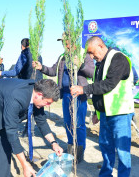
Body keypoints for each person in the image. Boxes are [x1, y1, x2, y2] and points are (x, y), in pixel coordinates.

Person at [70, 36, 134, 177]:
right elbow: (100, 91)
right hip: (106, 114)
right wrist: (98, 113)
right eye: (89, 54)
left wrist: (83, 89)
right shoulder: (100, 64)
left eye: (91, 52)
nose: (91, 57)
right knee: (106, 148)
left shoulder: (119, 59)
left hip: (120, 113)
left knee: (122, 151)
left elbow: (108, 85)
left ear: (100, 45)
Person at [33, 34, 94, 163]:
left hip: (79, 95)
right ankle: (71, 149)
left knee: (78, 124)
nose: (65, 45)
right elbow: (53, 71)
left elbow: (91, 72)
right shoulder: (62, 57)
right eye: (63, 43)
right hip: (66, 94)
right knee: (68, 123)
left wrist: (81, 64)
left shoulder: (83, 54)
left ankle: (79, 152)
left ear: (74, 41)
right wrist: (41, 67)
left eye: (67, 42)